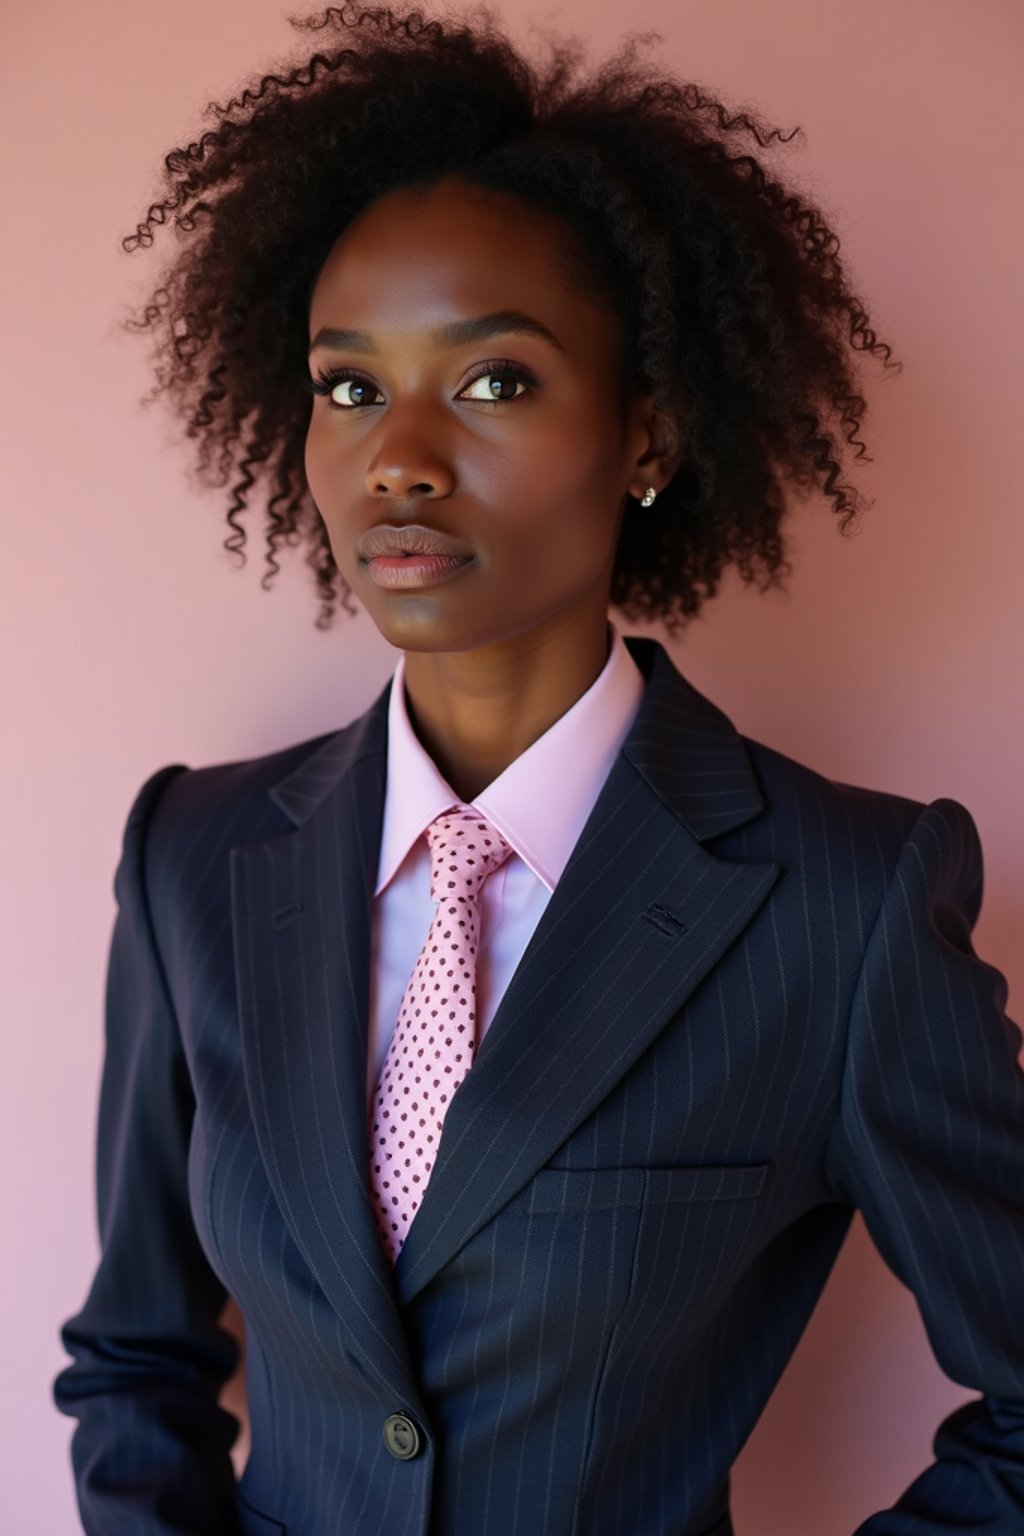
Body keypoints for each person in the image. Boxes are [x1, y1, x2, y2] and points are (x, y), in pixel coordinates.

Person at [52, 4, 1024, 1534]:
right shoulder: (193, 858)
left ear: (646, 433)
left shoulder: (843, 907)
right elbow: (135, 1357)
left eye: (493, 381)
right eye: (349, 384)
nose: (401, 459)